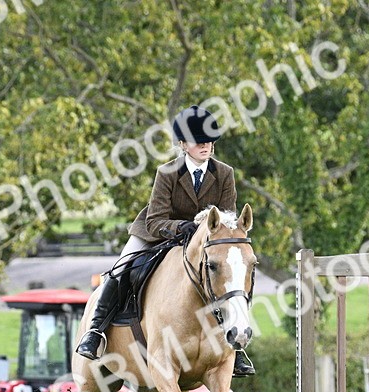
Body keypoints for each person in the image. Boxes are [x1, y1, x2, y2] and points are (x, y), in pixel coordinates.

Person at [74, 105, 254, 377]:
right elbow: (155, 220)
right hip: (159, 233)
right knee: (121, 268)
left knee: (233, 273)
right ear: (183, 144)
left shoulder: (225, 173)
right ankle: (96, 331)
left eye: (209, 140)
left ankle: (236, 349)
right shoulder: (167, 173)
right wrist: (183, 227)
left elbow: (227, 219)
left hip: (207, 242)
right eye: (198, 141)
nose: (205, 145)